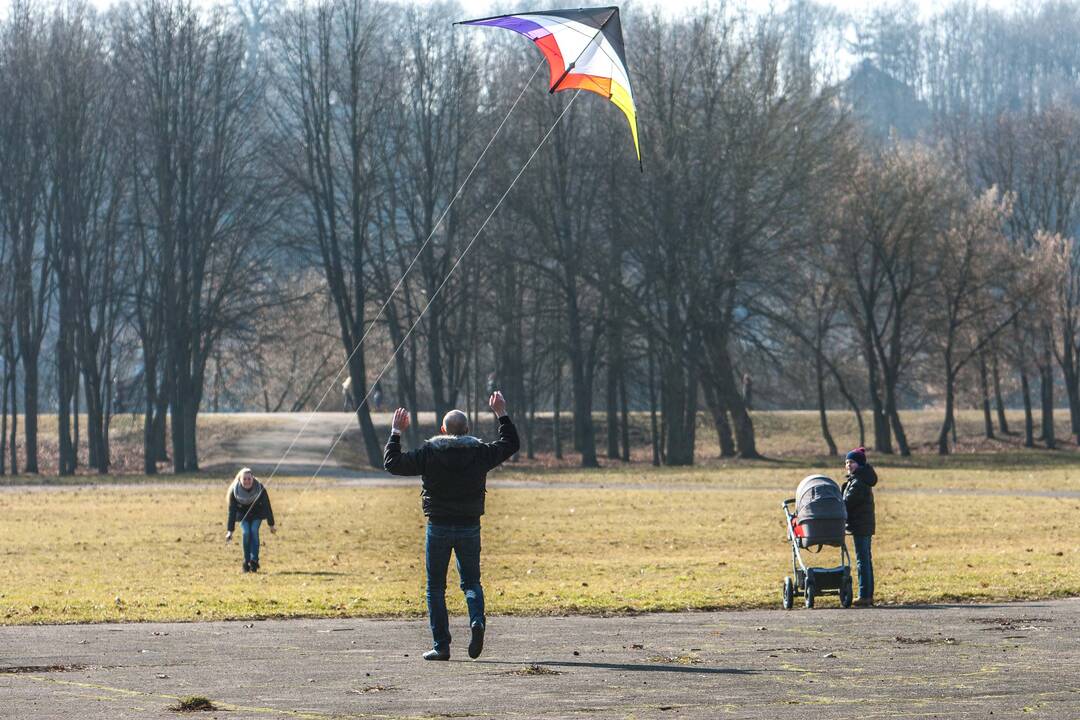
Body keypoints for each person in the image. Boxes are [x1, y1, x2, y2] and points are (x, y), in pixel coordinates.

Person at [384, 391, 520, 661]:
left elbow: (393, 463)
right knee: (471, 581)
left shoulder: (428, 454)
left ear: (442, 429)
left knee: (435, 587)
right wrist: (501, 413)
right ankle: (477, 621)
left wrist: (396, 432)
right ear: (468, 430)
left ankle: (441, 645)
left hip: (438, 526)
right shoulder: (481, 453)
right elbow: (510, 444)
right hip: (470, 526)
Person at [842, 447, 877, 607]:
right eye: (847, 462)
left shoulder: (858, 482)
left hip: (861, 526)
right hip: (864, 525)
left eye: (852, 462)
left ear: (860, 464)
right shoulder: (859, 479)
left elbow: (848, 503)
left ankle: (864, 595)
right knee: (865, 560)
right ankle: (867, 595)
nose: (849, 465)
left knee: (862, 561)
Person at [225, 467, 276, 573]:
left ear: (253, 479)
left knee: (253, 531)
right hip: (243, 516)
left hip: (257, 514)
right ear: (240, 480)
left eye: (249, 479)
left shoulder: (260, 488)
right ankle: (246, 561)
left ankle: (254, 561)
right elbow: (232, 511)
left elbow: (267, 506)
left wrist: (271, 524)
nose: (247, 481)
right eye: (245, 479)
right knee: (246, 533)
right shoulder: (234, 492)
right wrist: (230, 531)